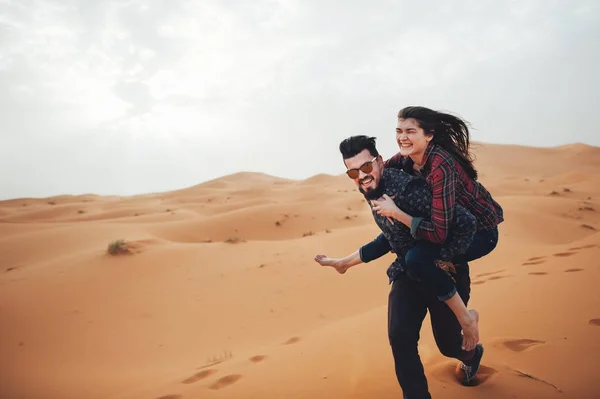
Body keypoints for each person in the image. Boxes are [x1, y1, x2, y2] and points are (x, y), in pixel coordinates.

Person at [314, 135, 484, 398]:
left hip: (442, 274)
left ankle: (472, 356)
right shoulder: (371, 191)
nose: (362, 176)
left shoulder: (408, 190)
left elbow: (464, 221)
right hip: (408, 271)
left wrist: (447, 258)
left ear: (380, 162)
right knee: (400, 338)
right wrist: (345, 263)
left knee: (450, 345)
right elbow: (391, 238)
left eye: (367, 167)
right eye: (353, 172)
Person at [365, 105, 503, 284]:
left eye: (410, 131)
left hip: (480, 233)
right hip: (449, 224)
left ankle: (457, 297)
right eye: (399, 131)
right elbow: (379, 174)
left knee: (416, 258)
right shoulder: (406, 157)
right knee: (407, 247)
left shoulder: (441, 167)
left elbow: (439, 233)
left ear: (429, 135)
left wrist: (396, 212)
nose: (402, 137)